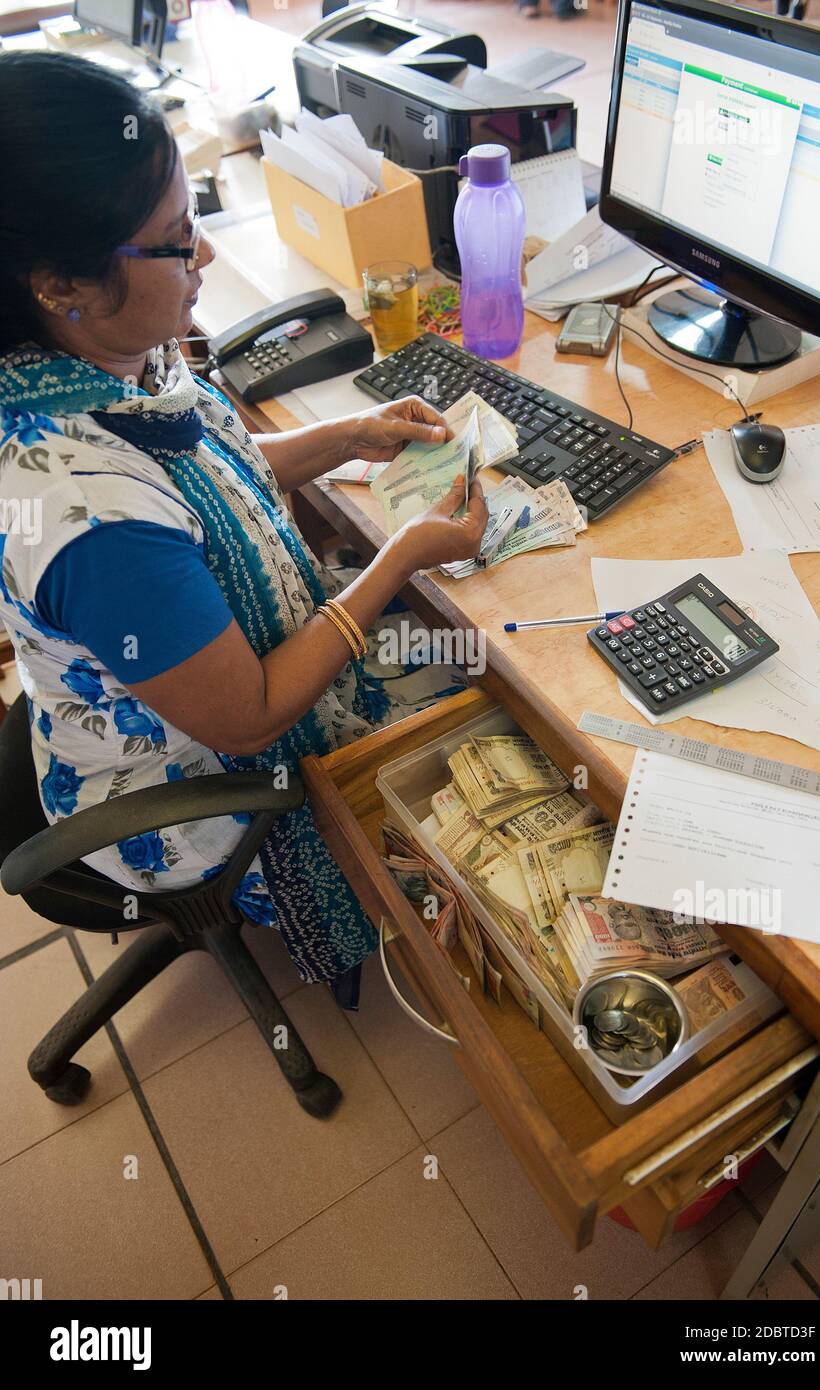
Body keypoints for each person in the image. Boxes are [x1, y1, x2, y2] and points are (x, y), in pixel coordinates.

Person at [0, 51, 487, 992]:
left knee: (466, 647)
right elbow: (253, 715)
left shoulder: (90, 361)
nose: (206, 256)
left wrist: (350, 435)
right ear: (60, 281)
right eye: (178, 240)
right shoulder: (90, 522)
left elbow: (198, 483)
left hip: (162, 692)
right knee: (491, 687)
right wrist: (397, 560)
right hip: (195, 784)